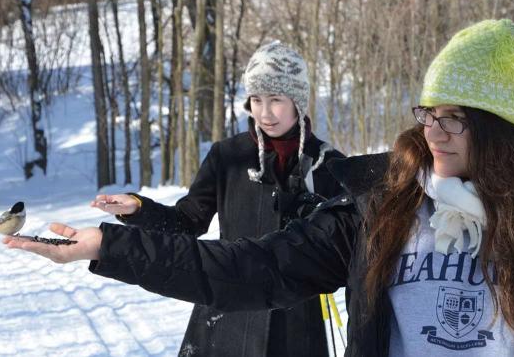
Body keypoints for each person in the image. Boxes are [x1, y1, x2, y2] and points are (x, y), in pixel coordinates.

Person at [5, 19, 514, 356]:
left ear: (508, 131)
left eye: (454, 118)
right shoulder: (385, 203)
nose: (432, 132)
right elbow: (248, 262)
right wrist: (113, 244)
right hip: (238, 324)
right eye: (427, 113)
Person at [90, 41, 345, 356]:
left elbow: (345, 248)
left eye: (276, 100)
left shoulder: (328, 164)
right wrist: (139, 209)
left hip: (297, 329)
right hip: (226, 319)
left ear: (297, 101)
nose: (264, 113)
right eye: (256, 100)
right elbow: (186, 223)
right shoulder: (228, 156)